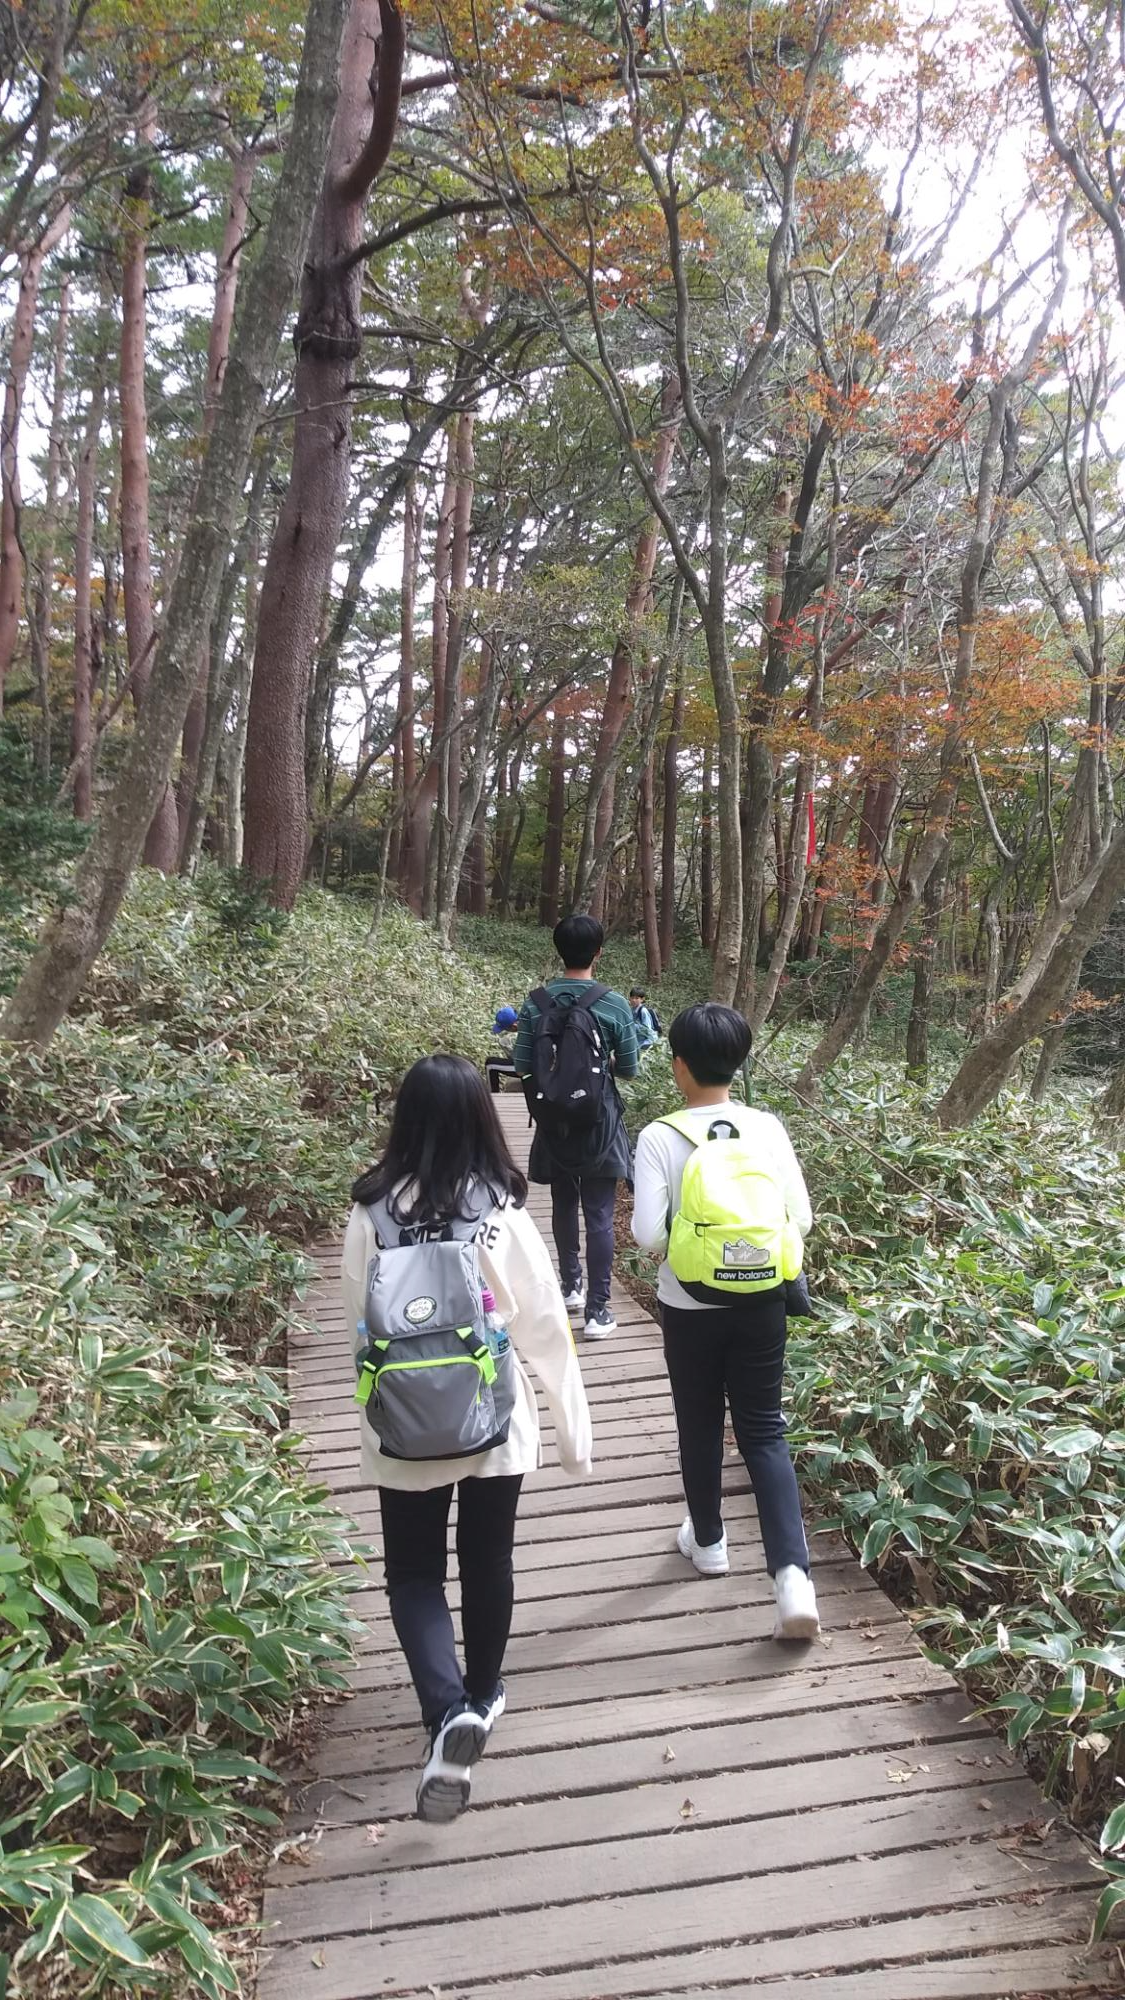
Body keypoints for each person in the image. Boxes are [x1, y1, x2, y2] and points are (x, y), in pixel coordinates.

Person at [341, 1054, 593, 1823]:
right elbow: (543, 1325)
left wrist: (376, 1415)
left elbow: (358, 1324)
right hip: (492, 1416)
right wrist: (571, 1433)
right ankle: (481, 1697)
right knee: (487, 1561)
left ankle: (444, 1708)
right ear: (483, 1119)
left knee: (413, 1575)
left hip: (401, 1423)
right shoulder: (499, 1212)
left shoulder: (370, 1212)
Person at [630, 1003, 820, 1639]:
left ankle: (709, 1541)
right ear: (738, 1063)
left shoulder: (660, 1136)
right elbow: (801, 1218)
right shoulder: (766, 1127)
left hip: (689, 1306)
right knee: (764, 1430)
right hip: (764, 1301)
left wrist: (697, 1247)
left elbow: (647, 1234)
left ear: (678, 1065)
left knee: (700, 1421)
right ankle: (792, 1579)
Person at [514, 914, 639, 1341]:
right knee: (600, 1214)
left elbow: (521, 1064)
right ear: (598, 953)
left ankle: (570, 1286)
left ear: (558, 950)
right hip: (599, 1121)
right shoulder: (614, 1004)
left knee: (563, 1203)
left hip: (554, 1120)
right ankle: (598, 1311)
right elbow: (630, 1069)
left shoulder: (536, 1002)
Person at [485, 1003, 519, 1093]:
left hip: (531, 1068)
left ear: (514, 1026)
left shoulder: (521, 1033)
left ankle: (493, 1096)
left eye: (506, 1029)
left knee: (490, 1064)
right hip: (536, 1064)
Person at [630, 988, 660, 1053]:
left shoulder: (643, 1011)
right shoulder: (632, 1010)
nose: (634, 1000)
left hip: (648, 1040)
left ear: (642, 999)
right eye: (632, 998)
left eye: (637, 998)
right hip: (639, 1039)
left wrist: (632, 1026)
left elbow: (647, 1029)